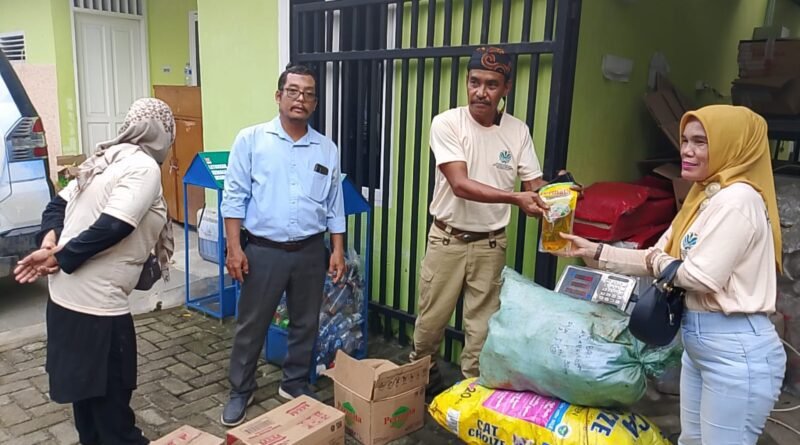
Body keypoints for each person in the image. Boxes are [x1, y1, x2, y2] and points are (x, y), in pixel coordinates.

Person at [558, 105, 786, 445]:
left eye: (700, 142)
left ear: (732, 145)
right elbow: (657, 256)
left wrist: (661, 261)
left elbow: (700, 277)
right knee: (691, 440)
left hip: (735, 348)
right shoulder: (704, 196)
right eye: (685, 140)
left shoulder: (738, 200)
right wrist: (595, 251)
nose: (687, 151)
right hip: (702, 344)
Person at [14, 98, 175, 445]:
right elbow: (115, 225)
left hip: (64, 304)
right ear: (163, 133)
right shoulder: (143, 167)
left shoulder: (104, 159)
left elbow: (56, 206)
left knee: (87, 410)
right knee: (114, 421)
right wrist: (59, 257)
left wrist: (51, 241)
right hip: (98, 311)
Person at [409, 46, 571, 390]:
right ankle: (422, 380)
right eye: (475, 82)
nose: (481, 92)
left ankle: (471, 392)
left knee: (481, 328)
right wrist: (514, 198)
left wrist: (561, 192)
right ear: (467, 82)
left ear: (505, 88)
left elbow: (534, 184)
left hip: (491, 244)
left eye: (491, 84)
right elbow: (460, 184)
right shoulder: (447, 123)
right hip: (447, 239)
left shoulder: (517, 131)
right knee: (430, 323)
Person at [220, 64, 346, 427]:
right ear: (279, 96)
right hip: (264, 251)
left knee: (305, 323)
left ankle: (293, 383)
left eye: (308, 94)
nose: (300, 99)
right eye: (293, 91)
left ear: (315, 103)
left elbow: (334, 204)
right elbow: (234, 197)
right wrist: (234, 248)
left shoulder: (326, 149)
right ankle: (241, 390)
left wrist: (337, 249)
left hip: (310, 251)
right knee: (252, 325)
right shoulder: (252, 140)